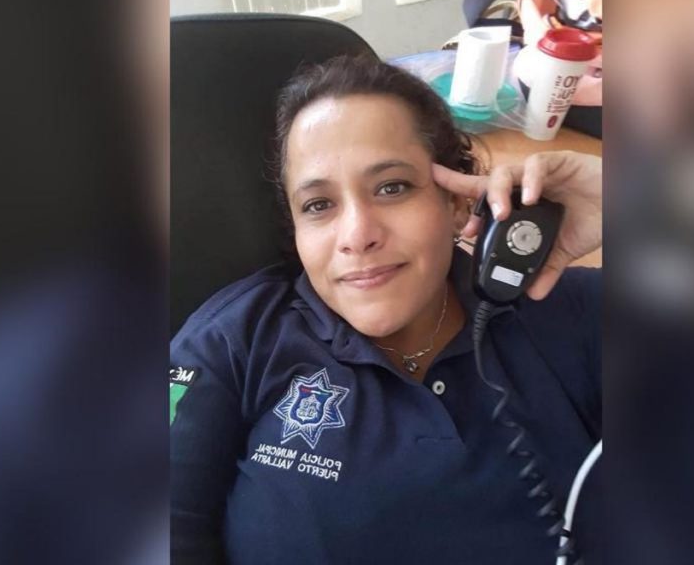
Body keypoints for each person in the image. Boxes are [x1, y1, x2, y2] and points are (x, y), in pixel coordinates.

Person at [170, 54, 602, 565]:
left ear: (459, 201)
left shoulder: (567, 310)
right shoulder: (230, 342)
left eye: (392, 188)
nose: (357, 236)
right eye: (318, 205)